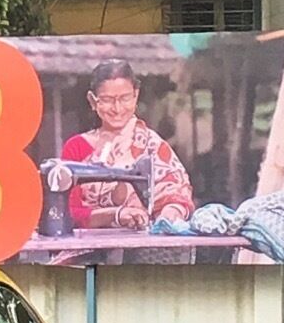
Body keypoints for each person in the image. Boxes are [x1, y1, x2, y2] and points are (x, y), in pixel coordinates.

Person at [58, 59, 196, 231]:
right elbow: (68, 212)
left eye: (124, 98)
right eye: (107, 100)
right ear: (93, 101)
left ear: (136, 95)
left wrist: (170, 212)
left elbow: (176, 193)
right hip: (87, 248)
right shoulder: (77, 147)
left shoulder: (152, 144)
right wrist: (115, 215)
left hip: (144, 248)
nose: (117, 108)